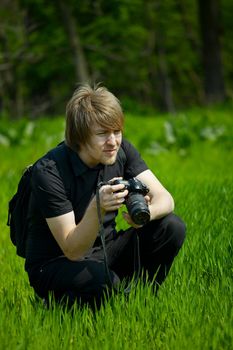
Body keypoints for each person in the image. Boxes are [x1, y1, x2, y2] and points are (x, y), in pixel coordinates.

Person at [25, 84, 186, 309]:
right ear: (80, 136)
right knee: (103, 283)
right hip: (56, 262)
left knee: (172, 227)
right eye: (102, 134)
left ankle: (142, 298)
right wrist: (97, 208)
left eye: (117, 131)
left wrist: (147, 214)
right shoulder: (49, 171)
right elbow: (73, 249)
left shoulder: (120, 152)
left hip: (105, 249)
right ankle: (52, 304)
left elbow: (166, 199)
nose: (113, 141)